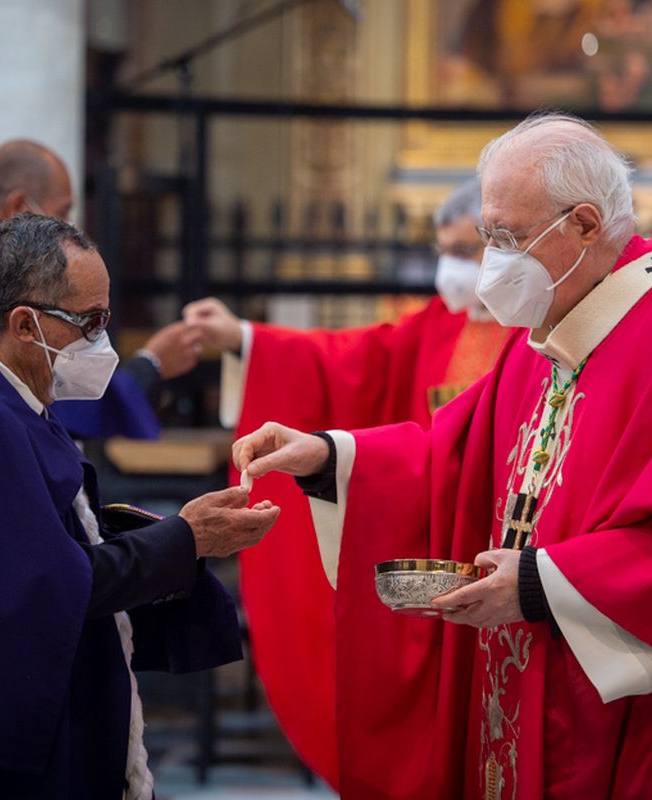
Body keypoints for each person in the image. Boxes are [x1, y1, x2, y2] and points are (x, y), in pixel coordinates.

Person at [232, 114, 652, 798]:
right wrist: (329, 456)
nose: (492, 259)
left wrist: (542, 583)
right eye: (488, 235)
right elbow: (455, 453)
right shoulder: (549, 321)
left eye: (506, 237)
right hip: (527, 672)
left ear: (583, 224)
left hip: (647, 706)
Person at [0, 214, 281, 799]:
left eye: (106, 320)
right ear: (23, 323)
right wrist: (187, 538)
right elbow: (44, 586)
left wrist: (164, 534)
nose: (102, 342)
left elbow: (36, 548)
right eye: (90, 322)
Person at [182, 178, 508, 786]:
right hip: (434, 533)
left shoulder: (538, 332)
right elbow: (346, 359)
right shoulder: (441, 323)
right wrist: (246, 340)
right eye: (444, 252)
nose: (452, 270)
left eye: (465, 252)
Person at [0, 138, 201, 449]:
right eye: (62, 211)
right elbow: (44, 393)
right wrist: (150, 366)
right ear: (17, 205)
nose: (70, 227)